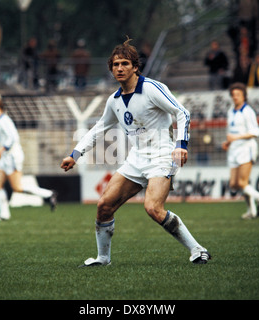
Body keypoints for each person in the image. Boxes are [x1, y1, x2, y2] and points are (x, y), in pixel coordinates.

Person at [61, 38, 211, 266]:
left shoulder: (151, 88)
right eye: (115, 65)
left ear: (135, 67)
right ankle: (103, 259)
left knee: (152, 208)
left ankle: (198, 250)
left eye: (124, 64)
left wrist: (181, 144)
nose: (120, 68)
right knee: (104, 206)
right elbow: (99, 128)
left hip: (162, 156)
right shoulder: (115, 100)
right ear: (111, 69)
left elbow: (182, 113)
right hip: (137, 158)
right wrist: (75, 154)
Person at [0, 98, 58, 221]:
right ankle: (4, 214)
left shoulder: (5, 121)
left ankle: (49, 194)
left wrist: (0, 150)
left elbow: (13, 137)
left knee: (17, 188)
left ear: (1, 109)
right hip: (5, 158)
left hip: (12, 157)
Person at [222, 82, 259, 219]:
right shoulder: (231, 111)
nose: (235, 97)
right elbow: (231, 132)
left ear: (244, 96)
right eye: (233, 95)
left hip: (246, 148)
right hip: (234, 149)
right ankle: (254, 209)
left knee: (242, 182)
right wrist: (228, 142)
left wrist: (236, 137)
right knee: (234, 184)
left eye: (238, 94)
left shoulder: (248, 111)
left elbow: (255, 132)